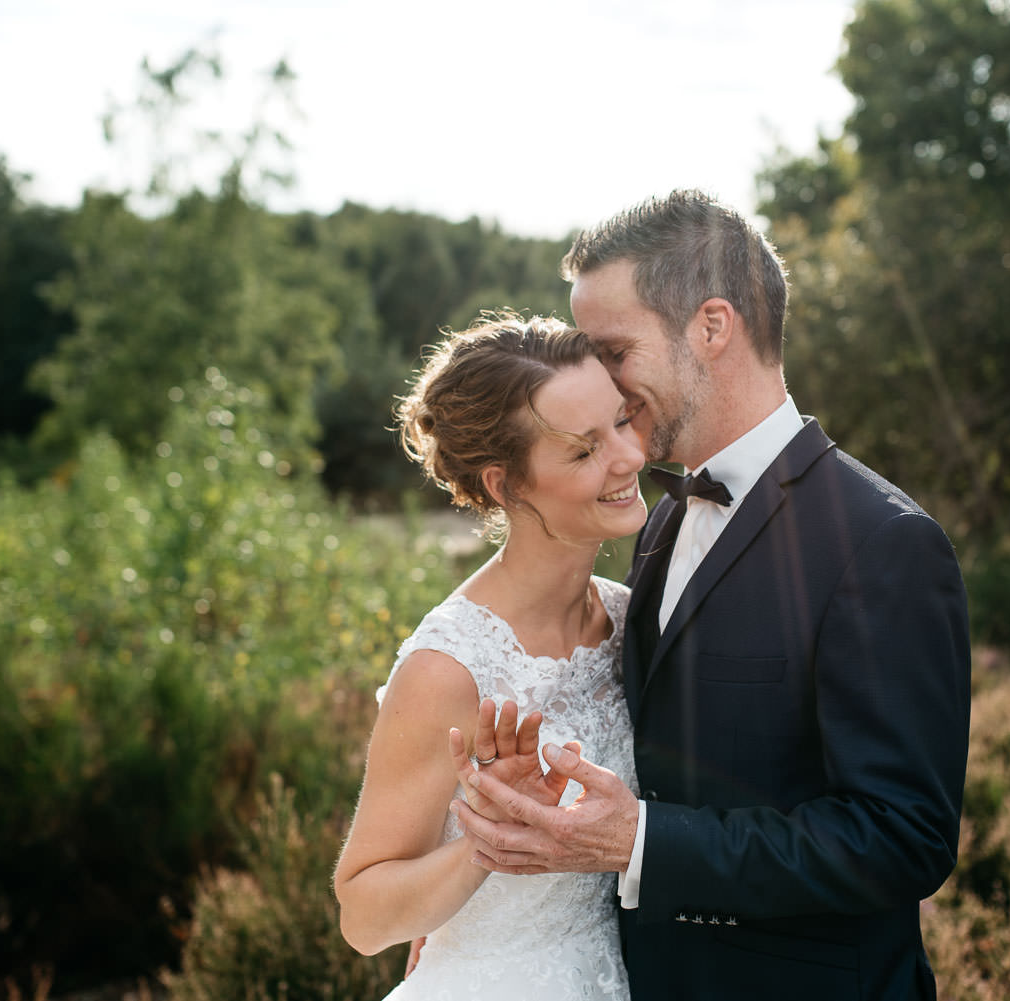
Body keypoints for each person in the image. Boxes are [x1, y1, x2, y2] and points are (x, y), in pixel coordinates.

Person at [450, 191, 972, 1000]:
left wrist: (644, 841)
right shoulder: (658, 524)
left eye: (613, 350)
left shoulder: (884, 543)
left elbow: (905, 837)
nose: (601, 386)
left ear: (712, 327)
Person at [332, 312, 648, 1000]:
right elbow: (362, 913)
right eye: (583, 450)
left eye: (622, 422)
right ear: (507, 485)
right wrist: (490, 840)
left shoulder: (631, 620)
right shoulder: (448, 668)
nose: (628, 457)